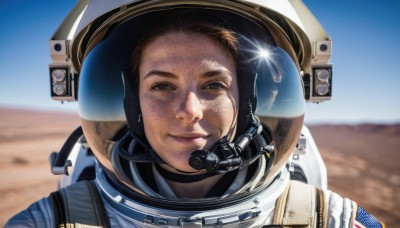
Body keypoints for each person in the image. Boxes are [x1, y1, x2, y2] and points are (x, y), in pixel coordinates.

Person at [6, 0, 385, 227]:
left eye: (213, 85)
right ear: (132, 105)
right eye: (162, 85)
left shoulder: (332, 220)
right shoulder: (47, 222)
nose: (189, 111)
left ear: (248, 103)